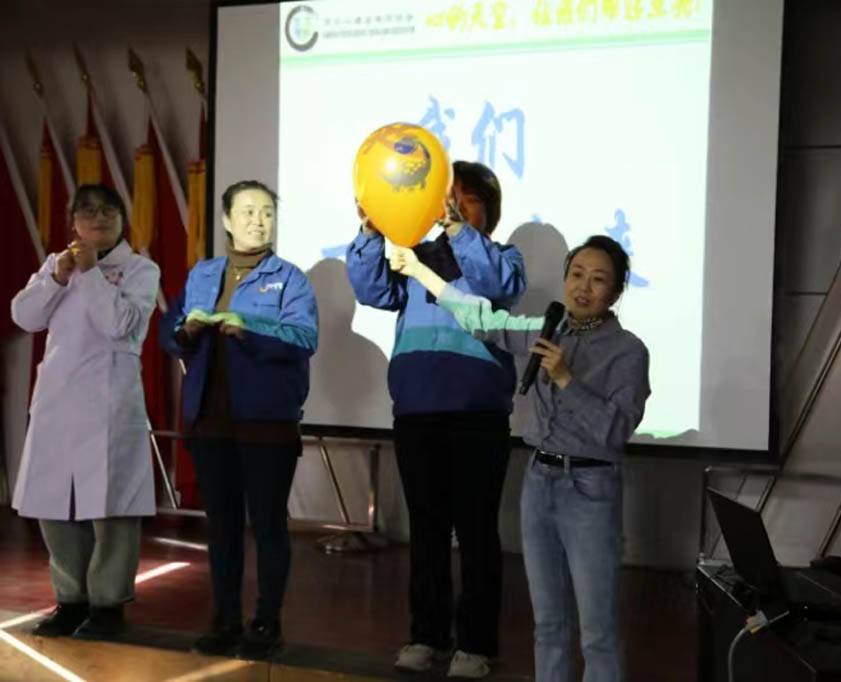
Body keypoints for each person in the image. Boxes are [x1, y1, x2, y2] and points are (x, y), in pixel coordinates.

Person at [390, 235, 650, 682]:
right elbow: (479, 318)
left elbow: (616, 430)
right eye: (576, 275)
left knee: (597, 630)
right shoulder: (549, 330)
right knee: (547, 623)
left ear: (616, 291)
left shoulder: (628, 350)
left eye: (598, 279)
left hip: (589, 488)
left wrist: (566, 379)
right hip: (539, 481)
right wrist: (418, 272)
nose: (583, 287)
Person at [346, 161, 526, 678]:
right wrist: (371, 230)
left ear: (488, 209)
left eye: (468, 198)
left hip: (478, 415)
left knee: (476, 533)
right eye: (449, 197)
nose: (455, 204)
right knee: (425, 533)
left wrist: (455, 228)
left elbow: (498, 285)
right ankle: (426, 636)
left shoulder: (503, 257)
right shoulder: (414, 256)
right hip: (418, 410)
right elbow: (371, 291)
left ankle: (475, 646)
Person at [160, 180, 318, 660]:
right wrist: (186, 330)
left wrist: (251, 328)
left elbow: (304, 338)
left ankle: (267, 622)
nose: (258, 220)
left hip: (267, 424)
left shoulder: (290, 278)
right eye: (248, 211)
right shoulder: (203, 273)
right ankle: (224, 620)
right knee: (222, 527)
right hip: (210, 422)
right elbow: (169, 333)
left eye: (267, 212)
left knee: (268, 526)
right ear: (227, 220)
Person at [10, 184, 160, 640]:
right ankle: (70, 601)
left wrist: (92, 273)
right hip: (58, 401)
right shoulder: (56, 264)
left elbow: (120, 324)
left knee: (112, 509)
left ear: (123, 219)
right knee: (55, 505)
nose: (99, 218)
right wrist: (56, 278)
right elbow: (24, 317)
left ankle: (108, 606)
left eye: (108, 210)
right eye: (88, 211)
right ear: (73, 221)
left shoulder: (141, 269)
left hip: (109, 402)